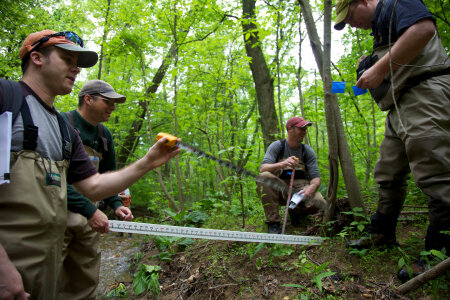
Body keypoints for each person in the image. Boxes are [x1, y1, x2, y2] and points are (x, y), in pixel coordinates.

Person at [0, 30, 180, 299]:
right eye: (67, 58)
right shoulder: (6, 98)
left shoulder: (62, 129)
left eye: (78, 63)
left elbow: (94, 186)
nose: (75, 68)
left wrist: (148, 162)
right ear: (36, 57)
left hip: (40, 268)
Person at [334, 0, 450, 281]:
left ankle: (440, 252)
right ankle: (382, 233)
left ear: (362, 1)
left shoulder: (396, 3)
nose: (352, 25)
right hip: (398, 106)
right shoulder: (381, 29)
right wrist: (368, 66)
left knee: (436, 173)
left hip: (425, 94)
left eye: (350, 16)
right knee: (387, 172)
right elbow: (392, 62)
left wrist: (379, 69)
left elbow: (423, 29)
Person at [57, 80, 134, 299]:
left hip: (91, 219)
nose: (113, 107)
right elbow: (53, 179)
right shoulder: (61, 123)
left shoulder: (104, 135)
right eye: (108, 101)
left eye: (115, 103)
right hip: (57, 215)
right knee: (50, 278)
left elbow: (108, 177)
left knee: (85, 278)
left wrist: (117, 205)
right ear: (88, 99)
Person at [256, 117, 327, 234]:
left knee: (321, 203)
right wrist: (283, 163)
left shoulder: (307, 151)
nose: (304, 132)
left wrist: (311, 189)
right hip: (280, 189)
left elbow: (316, 178)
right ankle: (273, 223)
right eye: (301, 129)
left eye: (305, 129)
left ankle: (295, 211)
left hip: (301, 189)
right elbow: (263, 168)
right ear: (290, 129)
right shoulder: (277, 146)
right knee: (264, 177)